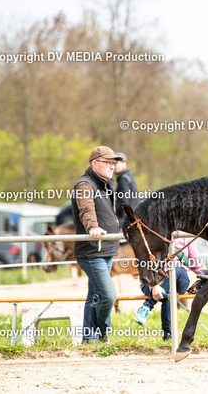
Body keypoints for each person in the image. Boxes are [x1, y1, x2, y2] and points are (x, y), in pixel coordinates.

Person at [71, 145, 123, 343]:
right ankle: (101, 333)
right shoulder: (85, 186)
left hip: (106, 249)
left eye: (113, 163)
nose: (112, 167)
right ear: (95, 164)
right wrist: (92, 227)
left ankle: (91, 338)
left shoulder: (106, 185)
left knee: (94, 296)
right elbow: (87, 210)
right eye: (107, 163)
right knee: (108, 296)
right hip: (92, 251)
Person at [133, 238, 208, 341]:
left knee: (175, 270)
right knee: (169, 294)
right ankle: (168, 338)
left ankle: (147, 306)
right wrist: (154, 285)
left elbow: (197, 265)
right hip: (152, 281)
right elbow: (146, 265)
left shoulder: (185, 237)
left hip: (179, 279)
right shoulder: (153, 235)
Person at [113, 151, 140, 226]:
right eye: (113, 164)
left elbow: (124, 200)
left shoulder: (124, 179)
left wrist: (120, 218)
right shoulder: (128, 176)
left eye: (116, 163)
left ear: (124, 163)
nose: (115, 166)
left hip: (125, 218)